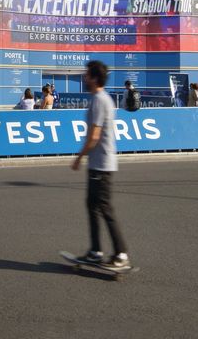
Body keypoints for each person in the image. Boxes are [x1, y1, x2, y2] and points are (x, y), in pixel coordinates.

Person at [71, 60, 130, 270]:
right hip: (100, 162)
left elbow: (93, 136)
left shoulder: (98, 100)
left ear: (94, 78)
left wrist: (79, 157)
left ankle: (121, 254)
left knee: (104, 208)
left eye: (87, 74)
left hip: (101, 164)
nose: (84, 78)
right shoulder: (102, 99)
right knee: (93, 207)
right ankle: (96, 251)